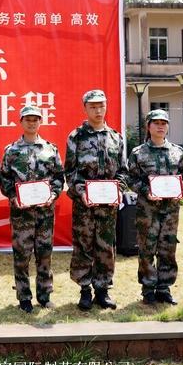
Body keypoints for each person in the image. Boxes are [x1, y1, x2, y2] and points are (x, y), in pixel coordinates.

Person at [65, 89, 128, 311]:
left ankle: (103, 290)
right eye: (93, 106)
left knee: (106, 246)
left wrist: (119, 189)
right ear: (85, 108)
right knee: (83, 245)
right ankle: (84, 290)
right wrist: (81, 191)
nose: (98, 110)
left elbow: (123, 171)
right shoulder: (76, 137)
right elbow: (70, 171)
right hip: (84, 203)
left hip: (108, 204)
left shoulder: (116, 138)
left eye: (101, 105)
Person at [0, 106, 64, 313]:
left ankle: (44, 295)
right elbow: (5, 179)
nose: (32, 123)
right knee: (22, 256)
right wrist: (13, 197)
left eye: (35, 119)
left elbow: (58, 178)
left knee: (44, 254)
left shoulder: (50, 149)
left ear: (40, 122)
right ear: (21, 122)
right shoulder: (11, 151)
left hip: (45, 213)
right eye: (27, 119)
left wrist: (53, 195)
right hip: (21, 214)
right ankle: (24, 297)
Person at [127, 109, 183, 305]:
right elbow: (131, 179)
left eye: (164, 123)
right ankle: (148, 289)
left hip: (170, 211)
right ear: (148, 126)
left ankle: (164, 288)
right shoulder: (138, 153)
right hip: (148, 210)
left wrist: (180, 189)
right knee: (147, 248)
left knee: (168, 249)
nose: (160, 126)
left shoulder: (177, 152)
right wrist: (147, 191)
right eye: (156, 123)